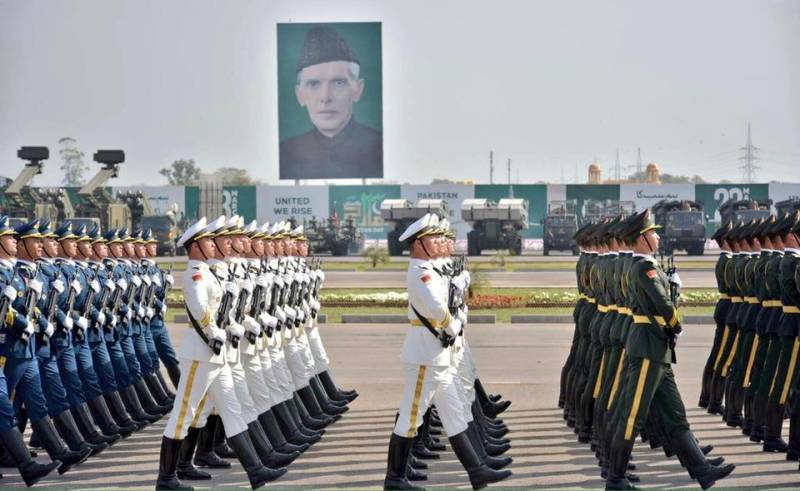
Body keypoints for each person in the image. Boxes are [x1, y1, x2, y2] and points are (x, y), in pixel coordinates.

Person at [605, 209, 735, 490]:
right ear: (641, 239)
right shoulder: (643, 267)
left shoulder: (642, 265)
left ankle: (702, 471)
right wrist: (676, 324)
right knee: (632, 416)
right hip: (648, 348)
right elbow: (663, 304)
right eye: (653, 233)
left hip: (656, 350)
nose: (657, 236)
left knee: (675, 415)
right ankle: (615, 479)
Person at [155, 216, 286, 491]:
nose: (214, 246)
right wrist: (213, 331)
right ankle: (166, 479)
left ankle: (255, 470)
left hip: (216, 354)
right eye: (207, 242)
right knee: (184, 414)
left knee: (232, 409)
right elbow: (199, 309)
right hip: (200, 353)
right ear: (194, 247)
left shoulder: (209, 272)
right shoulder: (195, 274)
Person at [383, 213, 511, 491]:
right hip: (424, 356)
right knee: (410, 418)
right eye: (432, 239)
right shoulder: (421, 272)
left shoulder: (431, 269)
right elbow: (437, 307)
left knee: (454, 414)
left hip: (436, 356)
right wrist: (451, 323)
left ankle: (477, 472)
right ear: (418, 244)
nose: (439, 242)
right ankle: (394, 480)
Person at [280, 24, 382, 179]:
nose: (325, 97)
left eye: (338, 83)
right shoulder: (285, 152)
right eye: (314, 84)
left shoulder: (379, 146)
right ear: (300, 95)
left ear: (358, 89)